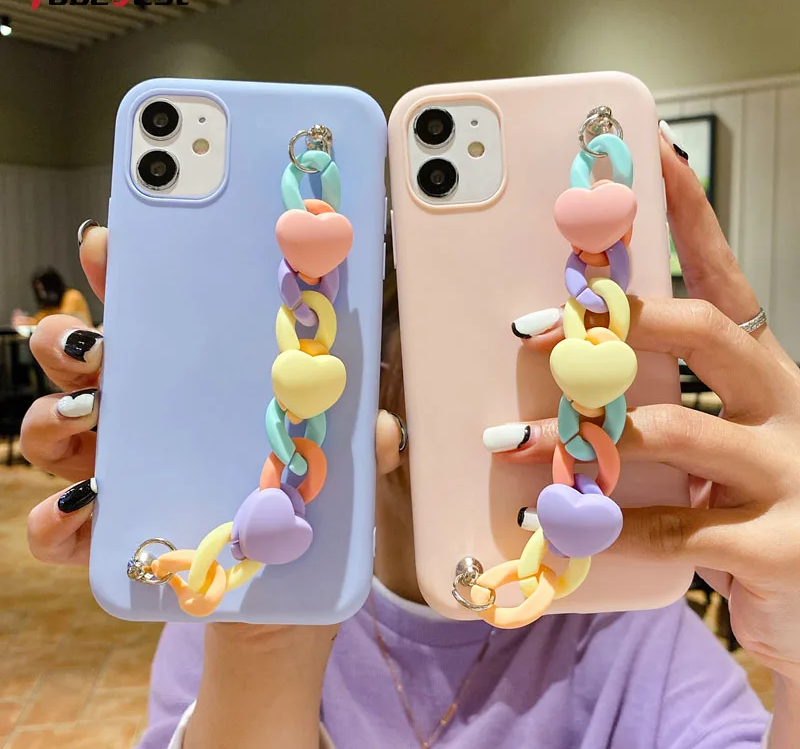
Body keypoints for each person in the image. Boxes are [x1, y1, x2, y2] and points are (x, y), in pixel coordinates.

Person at [19, 129, 800, 748]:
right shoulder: (240, 574)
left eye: (542, 342)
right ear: (369, 361)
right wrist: (264, 640)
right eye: (448, 334)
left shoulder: (618, 610)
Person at [11, 266, 93, 328]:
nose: (42, 294)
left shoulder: (72, 296)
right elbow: (40, 320)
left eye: (43, 289)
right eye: (39, 290)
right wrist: (26, 321)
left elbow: (64, 320)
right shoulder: (50, 304)